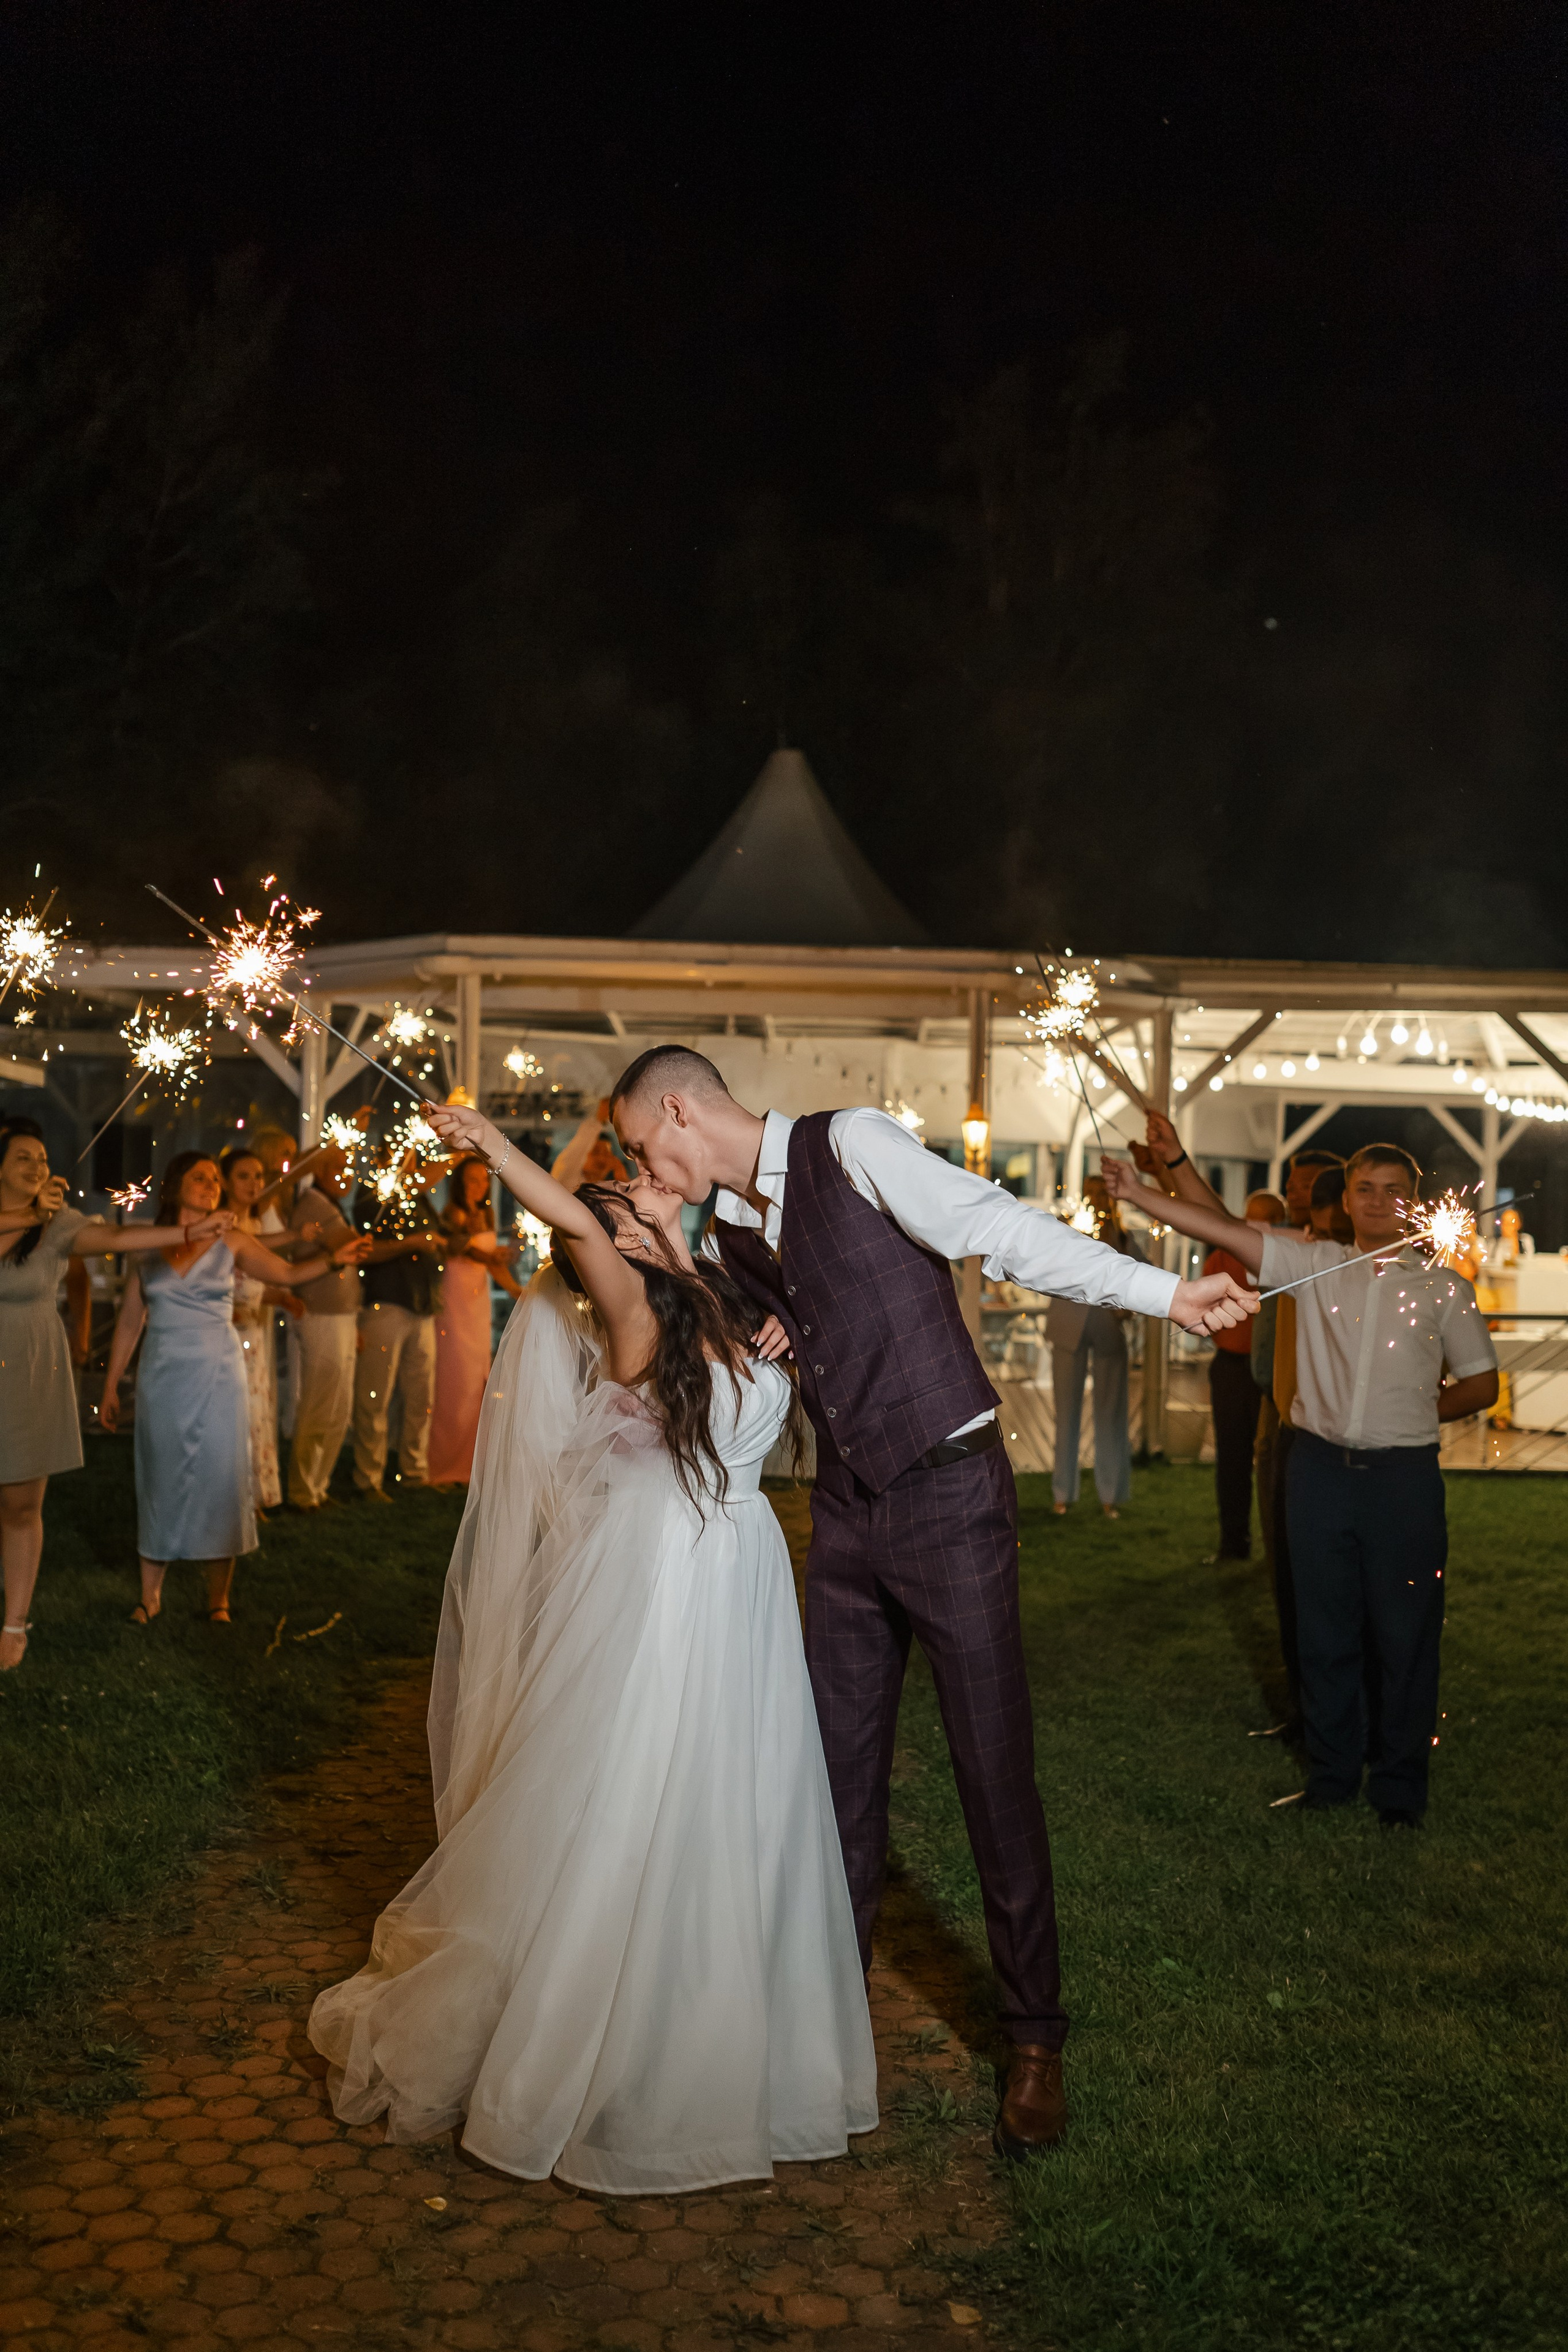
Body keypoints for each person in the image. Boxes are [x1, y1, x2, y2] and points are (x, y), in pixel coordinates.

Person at [608, 1046, 1256, 2157]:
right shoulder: (723, 1230)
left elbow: (999, 1231)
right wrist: (695, 1264)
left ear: (678, 1109)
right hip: (847, 1513)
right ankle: (823, 2018)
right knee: (834, 1778)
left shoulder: (850, 1145)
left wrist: (1167, 1293)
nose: (640, 1165)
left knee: (990, 1766)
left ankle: (1036, 2038)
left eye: (637, 1145)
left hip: (951, 1493)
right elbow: (758, 1332)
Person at [309, 1102, 876, 2192]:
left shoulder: (731, 1291)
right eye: (637, 1192)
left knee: (739, 1792)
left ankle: (728, 2026)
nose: (658, 1184)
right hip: (665, 1570)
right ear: (617, 1236)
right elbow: (568, 1211)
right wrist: (493, 1147)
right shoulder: (629, 1296)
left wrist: (792, 1332)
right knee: (637, 1787)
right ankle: (612, 2043)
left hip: (745, 1565)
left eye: (655, 1180)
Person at [1102, 1142, 1498, 1826]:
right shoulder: (1313, 1263)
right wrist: (1138, 1194)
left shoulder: (1443, 1288)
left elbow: (1483, 1383)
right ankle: (1333, 1775)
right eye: (1364, 1188)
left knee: (1406, 1634)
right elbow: (1223, 1229)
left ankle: (1400, 1789)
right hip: (1316, 1472)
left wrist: (1409, 1414)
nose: (1377, 1200)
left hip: (1402, 1480)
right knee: (1323, 1630)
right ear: (1344, 1201)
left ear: (1413, 1199)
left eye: (1391, 1189)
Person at [99, 1152, 368, 1626]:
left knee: (221, 1477)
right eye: (199, 1178)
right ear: (174, 1185)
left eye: (214, 1181)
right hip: (162, 1376)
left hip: (220, 1373)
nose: (210, 1185)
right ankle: (150, 1596)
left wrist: (333, 1259)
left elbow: (285, 1275)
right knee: (158, 1474)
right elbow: (128, 1323)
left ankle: (218, 1600)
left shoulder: (235, 1240)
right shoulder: (149, 1246)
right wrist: (110, 1387)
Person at [0, 1123, 232, 1670]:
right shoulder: (36, 1218)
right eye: (22, 1158)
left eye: (42, 1158)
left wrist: (189, 1232)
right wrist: (32, 1215)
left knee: (20, 1504)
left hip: (29, 1368)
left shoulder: (60, 1225)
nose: (37, 1166)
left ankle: (14, 1623)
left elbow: (120, 1239)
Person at [1046, 1174, 1142, 1520]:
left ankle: (1110, 1494)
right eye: (1092, 1191)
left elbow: (1144, 1279)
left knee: (1110, 1414)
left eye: (1103, 1191)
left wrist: (1127, 1308)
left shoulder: (1124, 1236)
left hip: (1108, 1329)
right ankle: (1062, 1493)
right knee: (1066, 1414)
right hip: (1068, 1324)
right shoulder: (1069, 1228)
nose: (1098, 1197)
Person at [352, 1161, 446, 1501]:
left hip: (423, 1307)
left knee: (421, 1397)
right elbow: (365, 1251)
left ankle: (413, 1471)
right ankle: (368, 1478)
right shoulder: (373, 1197)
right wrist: (413, 1243)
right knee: (374, 1395)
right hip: (386, 1305)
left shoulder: (419, 1200)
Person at [428, 1155, 523, 1488]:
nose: (479, 1186)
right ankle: (440, 1464)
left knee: (476, 1381)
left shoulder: (487, 1214)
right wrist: (491, 1256)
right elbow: (464, 1250)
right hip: (454, 1302)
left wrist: (515, 1289)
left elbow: (491, 1264)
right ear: (459, 1184)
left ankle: (468, 1463)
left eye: (483, 1180)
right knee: (454, 1378)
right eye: (472, 1180)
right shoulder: (450, 1215)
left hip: (477, 1302)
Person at [1203, 1188, 1285, 1562]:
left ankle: (1269, 1545)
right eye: (1247, 1219)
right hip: (1234, 1366)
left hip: (1268, 1370)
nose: (1250, 1228)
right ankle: (1235, 1543)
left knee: (1272, 1460)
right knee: (1234, 1460)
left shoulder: (1284, 1258)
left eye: (1259, 1221)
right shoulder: (1226, 1253)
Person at [220, 1144, 299, 1515]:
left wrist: (280, 1299)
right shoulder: (220, 1226)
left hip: (254, 1334)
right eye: (243, 1176)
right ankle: (231, 1495)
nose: (253, 1184)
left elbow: (254, 1286)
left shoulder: (254, 1226)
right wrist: (297, 1236)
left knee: (256, 1413)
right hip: (224, 1337)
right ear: (225, 1181)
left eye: (258, 1177)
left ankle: (255, 1496)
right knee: (233, 1414)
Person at [285, 1140, 362, 1510]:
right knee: (320, 1403)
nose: (346, 1174)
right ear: (319, 1170)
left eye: (349, 1166)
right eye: (339, 1167)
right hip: (320, 1314)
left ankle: (319, 1485)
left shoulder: (332, 1205)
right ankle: (302, 1489)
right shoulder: (313, 1205)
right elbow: (349, 1246)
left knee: (339, 1406)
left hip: (342, 1316)